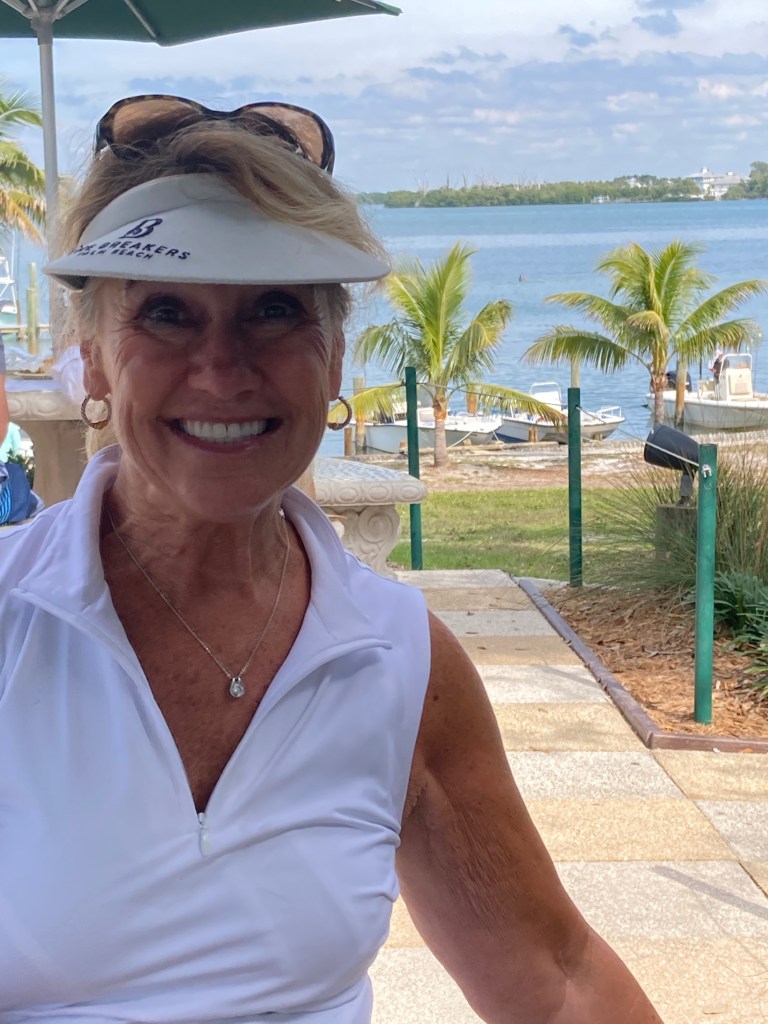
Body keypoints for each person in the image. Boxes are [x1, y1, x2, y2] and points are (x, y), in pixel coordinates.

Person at [0, 95, 664, 1023]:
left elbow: (556, 982)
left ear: (336, 354)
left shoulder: (401, 661)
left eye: (275, 309)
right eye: (167, 314)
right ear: (95, 358)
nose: (223, 369)